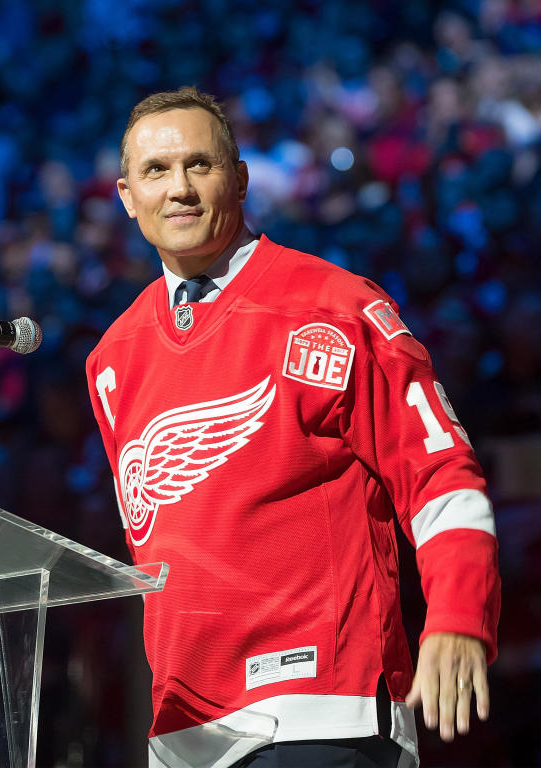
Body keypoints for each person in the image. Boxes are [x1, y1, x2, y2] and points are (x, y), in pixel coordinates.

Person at [85, 87, 500, 768]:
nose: (180, 189)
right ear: (128, 196)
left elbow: (441, 473)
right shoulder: (112, 359)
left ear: (240, 179)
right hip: (184, 735)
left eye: (201, 165)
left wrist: (458, 613)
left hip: (318, 716)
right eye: (157, 172)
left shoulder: (335, 306)